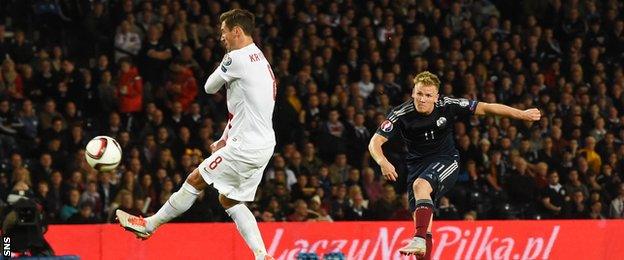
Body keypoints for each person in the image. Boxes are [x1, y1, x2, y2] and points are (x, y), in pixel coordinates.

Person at [116, 9, 277, 260]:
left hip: (245, 146)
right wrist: (225, 137)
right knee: (229, 200)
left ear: (237, 31)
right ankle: (262, 255)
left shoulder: (236, 58)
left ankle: (149, 226)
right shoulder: (260, 58)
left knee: (195, 180)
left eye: (223, 31)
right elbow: (249, 108)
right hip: (263, 144)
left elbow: (209, 87)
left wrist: (226, 60)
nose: (221, 36)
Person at [368, 71, 540, 258]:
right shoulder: (400, 113)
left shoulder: (448, 104)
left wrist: (521, 114)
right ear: (412, 93)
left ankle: (417, 238)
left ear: (436, 97)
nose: (422, 99)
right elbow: (374, 142)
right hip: (417, 167)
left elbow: (486, 108)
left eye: (427, 95)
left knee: (420, 188)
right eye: (419, 94)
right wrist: (382, 161)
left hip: (446, 159)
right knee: (424, 229)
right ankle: (420, 242)